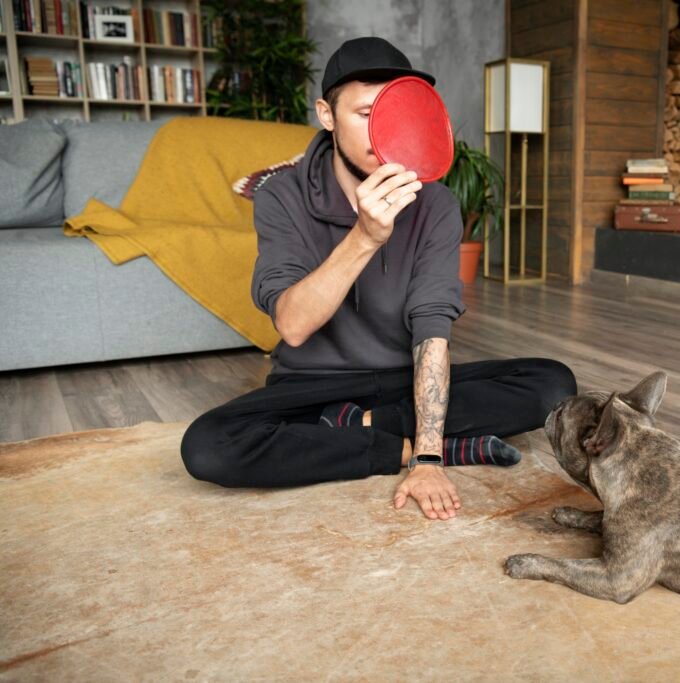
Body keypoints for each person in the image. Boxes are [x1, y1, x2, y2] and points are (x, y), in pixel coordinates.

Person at [180, 37, 576, 522]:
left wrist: (428, 460)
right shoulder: (281, 195)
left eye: (396, 112)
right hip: (311, 387)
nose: (383, 131)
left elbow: (432, 327)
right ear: (326, 115)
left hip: (400, 378)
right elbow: (293, 325)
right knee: (207, 446)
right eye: (366, 114)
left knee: (554, 384)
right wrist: (365, 237)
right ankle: (394, 447)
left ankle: (354, 428)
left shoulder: (435, 204)